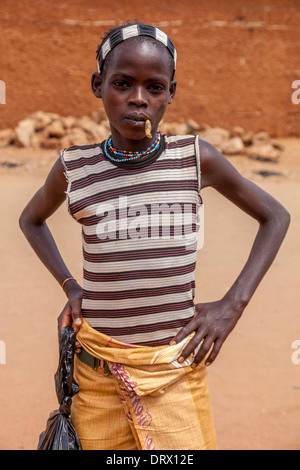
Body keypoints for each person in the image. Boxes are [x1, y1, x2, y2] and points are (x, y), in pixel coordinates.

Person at [19, 22, 290, 451]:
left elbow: (275, 216)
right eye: (122, 84)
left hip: (173, 373)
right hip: (97, 374)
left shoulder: (194, 159)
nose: (138, 99)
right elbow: (31, 220)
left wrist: (231, 306)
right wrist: (70, 284)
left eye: (155, 87)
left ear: (171, 92)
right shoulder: (75, 167)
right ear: (98, 85)